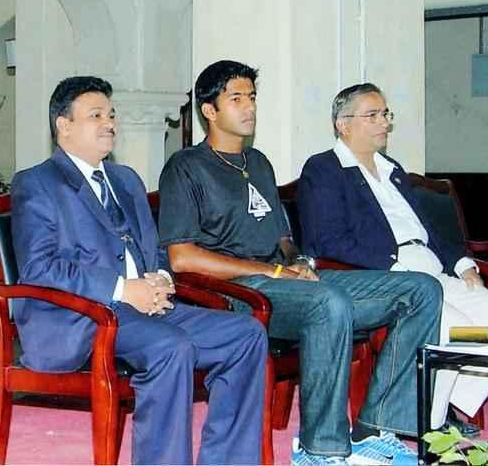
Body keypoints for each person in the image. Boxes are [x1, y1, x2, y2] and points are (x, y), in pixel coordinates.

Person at [158, 60, 441, 466]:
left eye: (251, 97)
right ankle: (319, 449)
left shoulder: (258, 163)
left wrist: (298, 261)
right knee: (328, 304)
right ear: (209, 110)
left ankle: (376, 427)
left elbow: (282, 239)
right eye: (236, 99)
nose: (249, 107)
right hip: (234, 293)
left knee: (421, 289)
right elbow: (182, 257)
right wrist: (272, 271)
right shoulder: (186, 167)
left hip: (284, 282)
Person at [11, 76, 267, 465]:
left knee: (245, 334)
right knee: (170, 346)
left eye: (111, 115)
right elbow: (39, 266)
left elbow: (155, 249)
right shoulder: (37, 183)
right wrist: (122, 289)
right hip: (85, 316)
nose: (109, 124)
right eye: (96, 115)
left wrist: (161, 278)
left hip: (144, 307)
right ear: (64, 125)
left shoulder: (125, 179)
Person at [297, 82, 488, 435]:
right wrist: (391, 267)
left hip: (432, 268)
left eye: (385, 114)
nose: (384, 123)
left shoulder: (392, 169)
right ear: (343, 124)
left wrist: (463, 264)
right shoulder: (325, 169)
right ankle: (429, 422)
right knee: (452, 327)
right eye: (372, 115)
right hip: (385, 274)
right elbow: (327, 240)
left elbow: (429, 229)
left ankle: (446, 400)